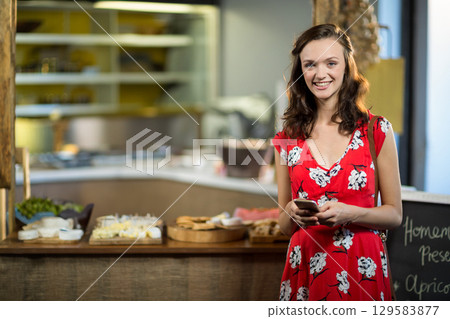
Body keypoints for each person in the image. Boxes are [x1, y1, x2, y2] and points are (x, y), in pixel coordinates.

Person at [272, 24, 402, 301]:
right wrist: (293, 212)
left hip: (362, 265)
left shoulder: (376, 130)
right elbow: (284, 225)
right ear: (300, 72)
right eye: (310, 65)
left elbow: (394, 214)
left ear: (347, 67)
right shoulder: (286, 138)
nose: (321, 74)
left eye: (331, 63)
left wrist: (350, 213)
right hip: (305, 265)